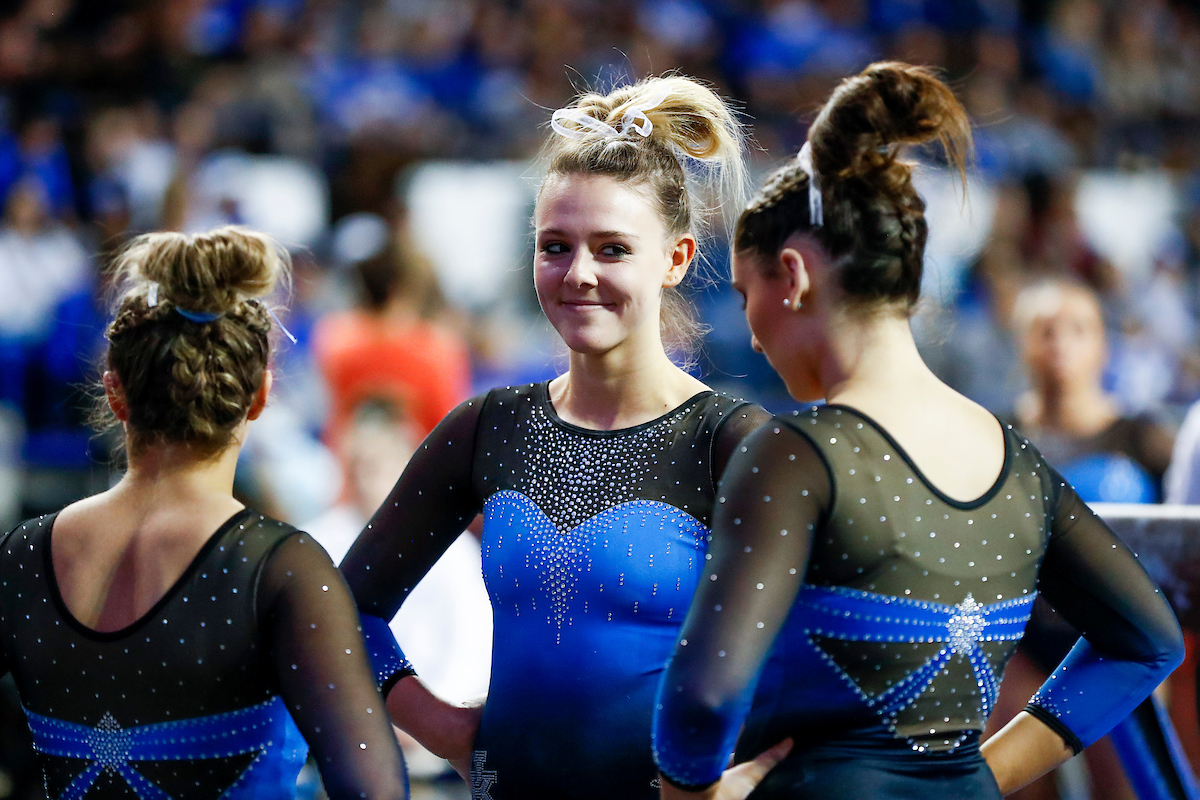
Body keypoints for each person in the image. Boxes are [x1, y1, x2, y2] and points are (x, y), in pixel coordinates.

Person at [651, 62, 1184, 800]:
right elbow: (1148, 641)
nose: (753, 331)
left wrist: (697, 794)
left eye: (747, 295)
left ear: (794, 277)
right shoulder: (1015, 461)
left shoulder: (795, 454)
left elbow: (703, 702)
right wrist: (983, 776)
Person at [340, 76, 786, 800]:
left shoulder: (729, 441)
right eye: (556, 246)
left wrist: (748, 771)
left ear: (675, 258)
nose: (579, 274)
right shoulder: (490, 426)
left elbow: (819, 645)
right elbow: (344, 609)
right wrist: (441, 725)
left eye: (612, 249)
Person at [0, 227, 407, 800]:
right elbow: (374, 791)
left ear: (115, 392)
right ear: (260, 396)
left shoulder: (22, 556)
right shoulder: (280, 569)